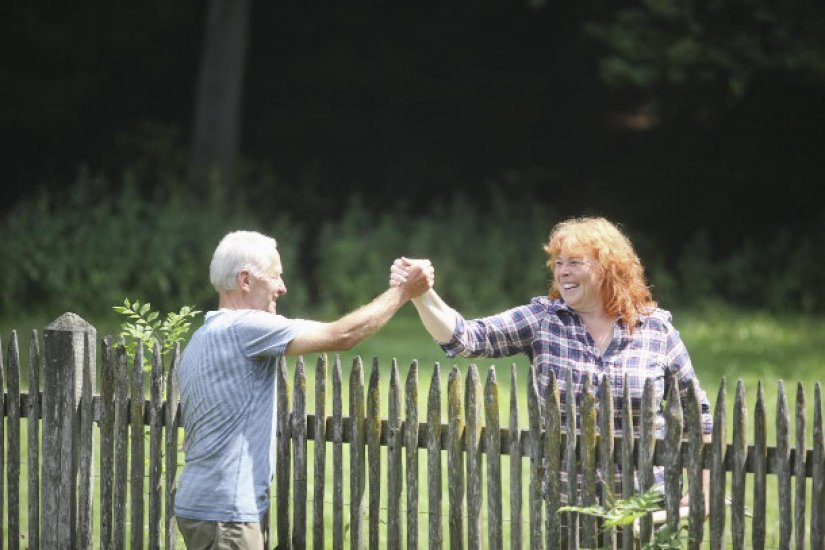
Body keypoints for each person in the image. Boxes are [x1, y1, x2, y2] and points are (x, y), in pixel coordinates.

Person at [391, 216, 713, 511]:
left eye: (575, 262)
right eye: (559, 263)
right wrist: (421, 294)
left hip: (645, 510)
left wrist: (703, 491)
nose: (563, 272)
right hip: (569, 510)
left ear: (608, 268)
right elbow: (466, 337)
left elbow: (697, 416)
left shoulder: (656, 330)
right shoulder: (544, 320)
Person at [175, 229, 433, 549]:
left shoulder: (200, 339)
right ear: (245, 281)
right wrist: (403, 292)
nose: (282, 287)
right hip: (226, 515)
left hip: (198, 507)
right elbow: (342, 336)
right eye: (275, 277)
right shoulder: (245, 329)